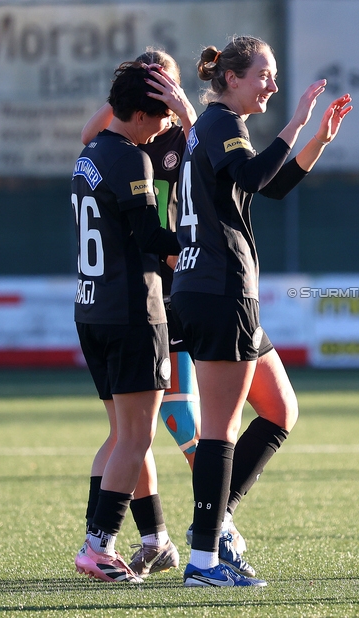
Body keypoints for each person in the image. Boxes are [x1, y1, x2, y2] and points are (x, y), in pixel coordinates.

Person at [170, 36, 352, 588]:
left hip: (214, 290)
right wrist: (295, 123)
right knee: (221, 431)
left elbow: (270, 186)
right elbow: (254, 176)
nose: (272, 84)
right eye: (262, 75)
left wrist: (315, 137)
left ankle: (218, 521)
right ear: (230, 79)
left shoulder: (215, 126)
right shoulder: (223, 121)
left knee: (279, 410)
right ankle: (204, 560)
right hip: (220, 289)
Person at [80, 48, 206, 578]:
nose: (163, 128)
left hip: (92, 309)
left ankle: (130, 540)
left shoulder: (89, 156)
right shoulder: (133, 157)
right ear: (138, 114)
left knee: (119, 435)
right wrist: (197, 242)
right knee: (138, 438)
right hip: (134, 311)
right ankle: (99, 546)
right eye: (159, 117)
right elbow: (150, 237)